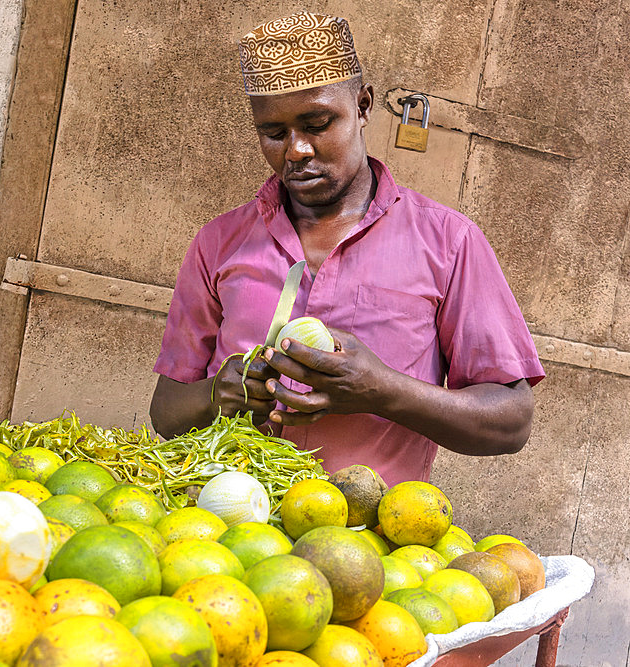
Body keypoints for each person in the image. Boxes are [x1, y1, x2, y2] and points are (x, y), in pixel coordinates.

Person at [149, 12, 544, 486]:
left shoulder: (448, 242)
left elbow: (511, 422)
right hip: (226, 533)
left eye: (317, 123)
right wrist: (220, 393)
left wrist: (381, 391)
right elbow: (167, 414)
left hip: (364, 542)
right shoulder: (219, 242)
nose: (295, 150)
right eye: (273, 133)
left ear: (362, 106)